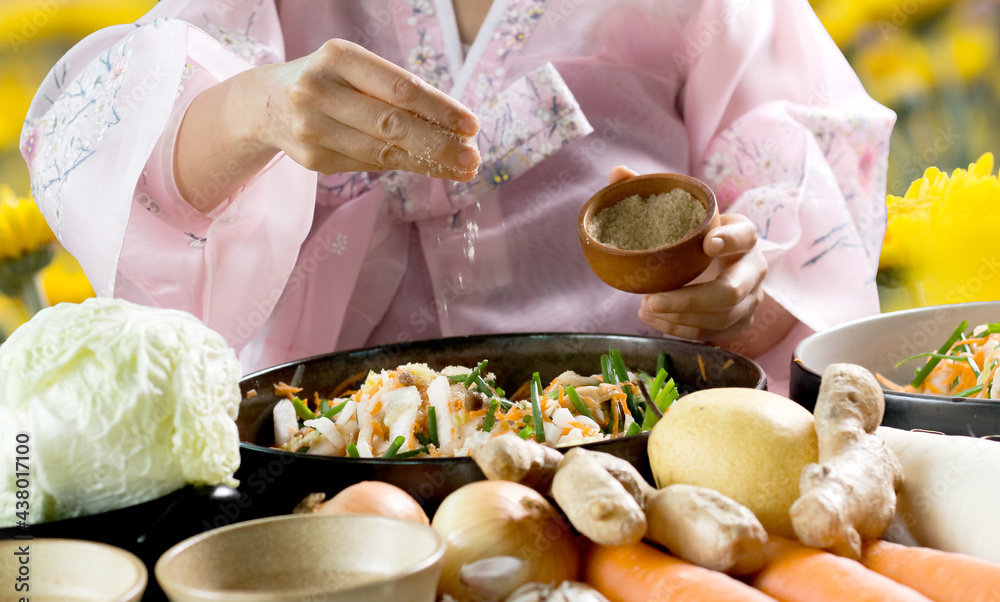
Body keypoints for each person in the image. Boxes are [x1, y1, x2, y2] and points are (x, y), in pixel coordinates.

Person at [21, 0, 894, 395]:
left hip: (627, 444)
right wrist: (259, 110)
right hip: (323, 462)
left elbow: (808, 196)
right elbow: (93, 143)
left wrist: (742, 295)